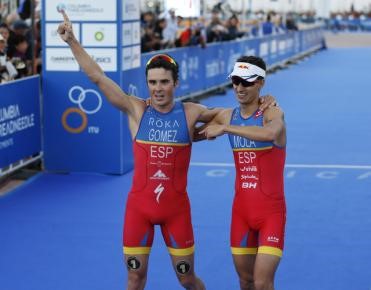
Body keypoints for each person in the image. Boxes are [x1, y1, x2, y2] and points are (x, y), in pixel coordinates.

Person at [58, 10, 276, 290]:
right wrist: (72, 42)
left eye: (164, 82)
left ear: (176, 83)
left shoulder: (191, 112)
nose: (157, 89)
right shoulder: (136, 109)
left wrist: (262, 101)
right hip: (138, 211)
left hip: (177, 214)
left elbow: (234, 114)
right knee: (135, 280)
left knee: (187, 279)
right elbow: (98, 77)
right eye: (152, 82)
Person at [199, 56, 286, 290]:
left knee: (262, 282)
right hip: (241, 213)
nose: (239, 88)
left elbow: (270, 134)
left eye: (246, 82)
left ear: (260, 83)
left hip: (271, 214)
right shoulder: (227, 114)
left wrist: (225, 128)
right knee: (246, 281)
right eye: (235, 81)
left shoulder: (272, 113)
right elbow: (189, 128)